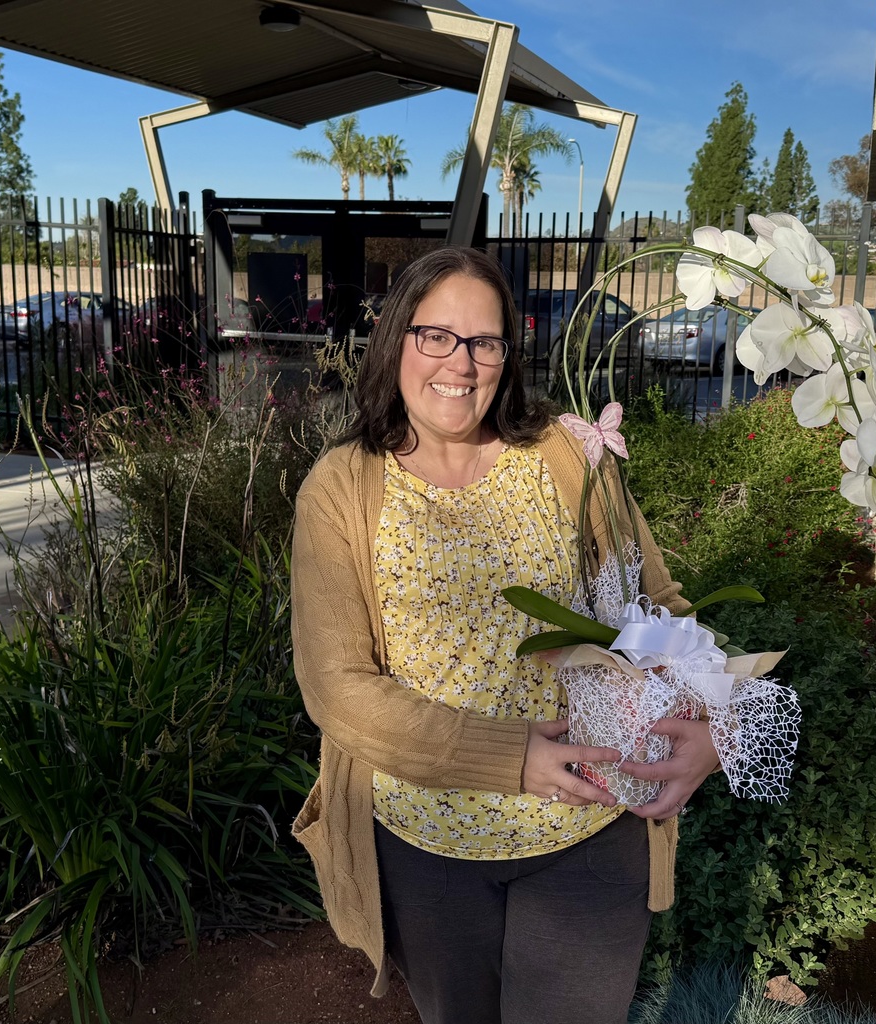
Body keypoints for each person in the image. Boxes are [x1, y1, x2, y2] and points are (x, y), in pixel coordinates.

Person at [290, 246, 720, 1024]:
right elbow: (336, 686)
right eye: (436, 336)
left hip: (590, 823)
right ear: (397, 340)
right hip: (426, 847)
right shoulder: (342, 487)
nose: (461, 362)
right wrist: (512, 755)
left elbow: (656, 605)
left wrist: (716, 718)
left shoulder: (564, 452)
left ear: (507, 355)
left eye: (485, 341)